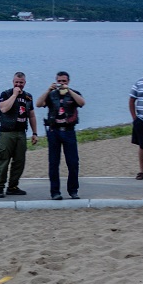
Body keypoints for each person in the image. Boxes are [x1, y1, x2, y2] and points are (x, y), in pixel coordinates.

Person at [36, 71, 85, 200]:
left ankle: (73, 190)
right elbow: (38, 104)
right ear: (56, 81)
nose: (62, 84)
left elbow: (82, 103)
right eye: (60, 81)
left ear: (68, 81)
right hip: (54, 132)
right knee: (53, 163)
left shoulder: (73, 94)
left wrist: (69, 90)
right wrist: (48, 90)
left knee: (73, 163)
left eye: (64, 81)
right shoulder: (51, 95)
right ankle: (55, 192)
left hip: (69, 131)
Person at [0, 72, 38, 198]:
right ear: (13, 82)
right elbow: (3, 109)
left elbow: (31, 115)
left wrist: (34, 133)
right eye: (16, 82)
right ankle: (0, 187)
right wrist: (14, 95)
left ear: (25, 83)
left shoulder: (28, 97)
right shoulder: (6, 94)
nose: (19, 84)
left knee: (19, 161)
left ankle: (13, 186)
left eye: (21, 82)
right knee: (3, 161)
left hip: (21, 133)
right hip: (7, 133)